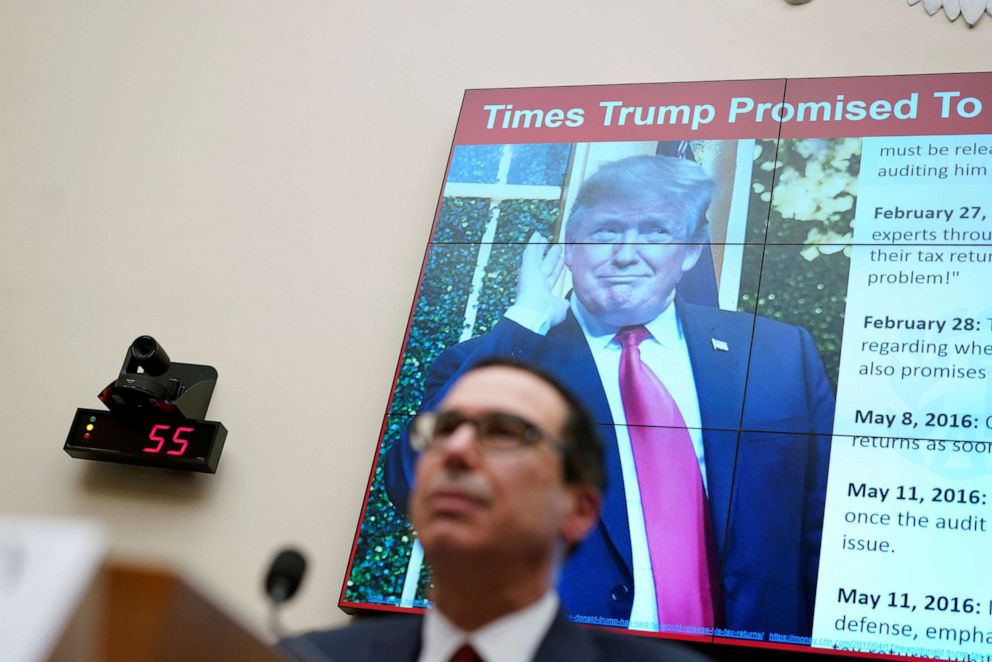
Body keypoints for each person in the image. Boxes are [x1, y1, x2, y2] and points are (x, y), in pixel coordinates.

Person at [385, 155, 834, 640]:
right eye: (605, 231)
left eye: (656, 231)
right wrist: (525, 320)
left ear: (688, 251)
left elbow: (822, 526)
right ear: (570, 248)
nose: (625, 253)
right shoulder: (499, 361)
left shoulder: (777, 355)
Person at [285, 360, 711, 661]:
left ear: (578, 509)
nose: (454, 450)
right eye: (445, 429)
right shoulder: (302, 657)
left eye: (503, 432)